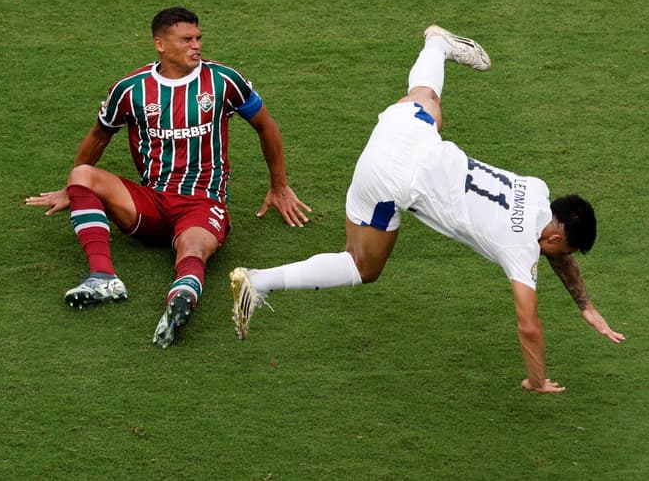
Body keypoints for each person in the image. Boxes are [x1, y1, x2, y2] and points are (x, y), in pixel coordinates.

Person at [230, 25, 624, 393]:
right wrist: (536, 381)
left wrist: (585, 306)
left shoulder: (537, 190)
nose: (558, 257)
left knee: (429, 103)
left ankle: (437, 43)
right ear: (554, 237)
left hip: (402, 131)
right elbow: (529, 325)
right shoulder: (520, 249)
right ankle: (259, 281)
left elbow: (554, 247)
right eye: (563, 250)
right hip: (389, 180)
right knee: (362, 266)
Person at [26, 7, 310, 348]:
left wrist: (279, 185)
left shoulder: (223, 81)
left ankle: (180, 304)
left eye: (199, 38)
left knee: (192, 247)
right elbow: (99, 136)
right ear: (160, 44)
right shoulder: (131, 90)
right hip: (152, 202)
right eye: (186, 39)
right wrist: (73, 189)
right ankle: (103, 277)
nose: (196, 46)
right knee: (83, 174)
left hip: (202, 203)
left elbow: (266, 125)